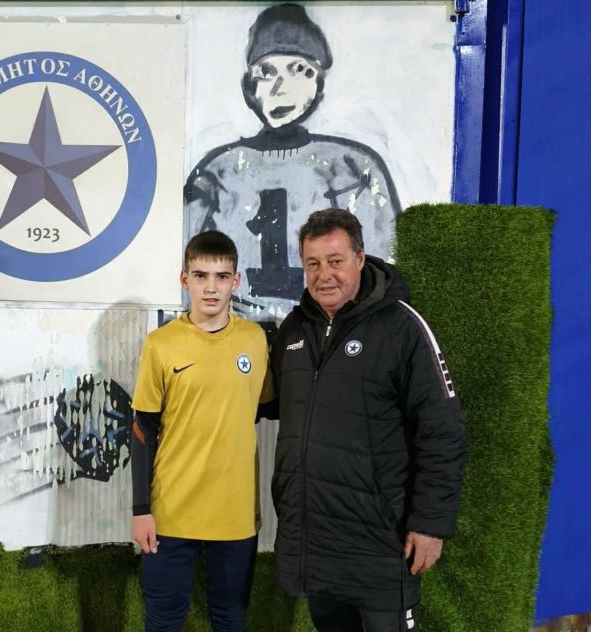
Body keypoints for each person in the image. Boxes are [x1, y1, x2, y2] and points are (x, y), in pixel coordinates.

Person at [267, 209, 467, 631]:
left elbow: (442, 432)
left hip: (381, 547)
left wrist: (429, 525)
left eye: (335, 261)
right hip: (317, 548)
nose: (324, 274)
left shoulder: (402, 328)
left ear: (360, 258)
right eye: (312, 263)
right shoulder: (293, 331)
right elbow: (268, 403)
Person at [185, 3, 400, 330]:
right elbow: (187, 276)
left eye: (299, 70)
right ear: (249, 87)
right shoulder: (217, 172)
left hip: (326, 334)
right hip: (237, 337)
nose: (280, 87)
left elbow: (382, 269)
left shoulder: (354, 167)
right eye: (267, 72)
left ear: (319, 84)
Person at [131, 230, 274, 631]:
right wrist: (141, 510)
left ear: (236, 281)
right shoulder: (160, 344)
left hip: (235, 513)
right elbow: (142, 429)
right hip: (171, 512)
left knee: (230, 618)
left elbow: (264, 406)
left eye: (221, 276)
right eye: (200, 275)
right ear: (184, 279)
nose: (211, 287)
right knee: (164, 620)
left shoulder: (255, 340)